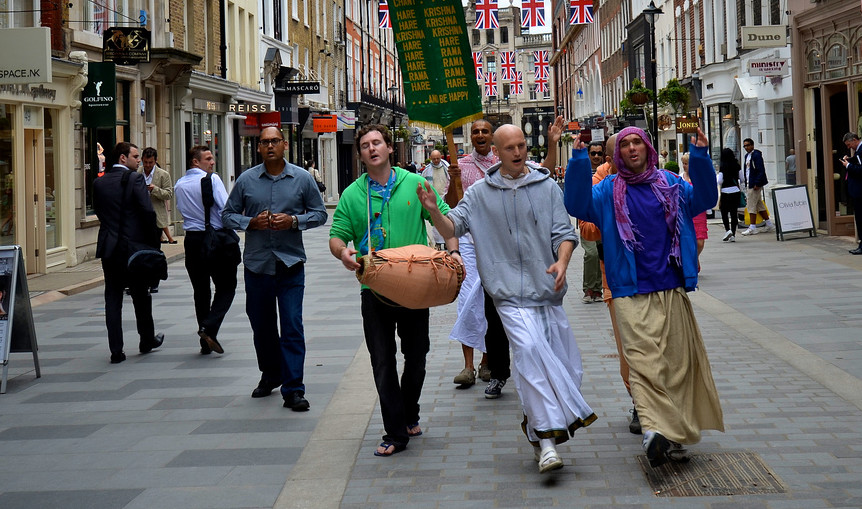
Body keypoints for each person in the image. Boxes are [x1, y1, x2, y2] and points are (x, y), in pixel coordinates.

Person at [419, 123, 597, 474]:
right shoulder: (479, 193)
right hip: (506, 294)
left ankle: (536, 427)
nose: (517, 152)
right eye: (510, 148)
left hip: (546, 290)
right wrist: (434, 211)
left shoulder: (546, 186)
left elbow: (565, 233)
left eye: (521, 146)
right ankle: (547, 443)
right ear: (496, 153)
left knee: (566, 368)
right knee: (528, 352)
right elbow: (453, 227)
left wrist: (562, 263)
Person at [564, 126, 724, 468]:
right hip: (629, 290)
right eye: (625, 145)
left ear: (648, 148)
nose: (632, 148)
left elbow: (706, 199)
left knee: (676, 364)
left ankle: (674, 433)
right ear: (617, 154)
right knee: (642, 362)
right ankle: (654, 428)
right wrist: (578, 160)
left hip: (670, 285)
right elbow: (577, 204)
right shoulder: (607, 190)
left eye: (637, 142)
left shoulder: (671, 184)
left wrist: (699, 156)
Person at [329, 124, 455, 457]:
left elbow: (447, 227)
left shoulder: (415, 183)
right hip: (373, 287)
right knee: (382, 361)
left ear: (388, 147)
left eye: (377, 143)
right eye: (365, 145)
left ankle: (409, 411)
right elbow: (337, 234)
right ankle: (395, 432)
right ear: (360, 154)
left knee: (417, 356)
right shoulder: (352, 194)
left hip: (414, 285)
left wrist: (435, 214)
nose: (372, 148)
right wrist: (343, 252)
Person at [222, 126, 328, 411]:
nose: (270, 146)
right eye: (265, 142)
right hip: (257, 266)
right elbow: (227, 215)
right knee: (262, 326)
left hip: (290, 264)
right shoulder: (246, 180)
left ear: (284, 145)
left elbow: (320, 214)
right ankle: (271, 373)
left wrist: (294, 221)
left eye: (275, 141)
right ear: (258, 147)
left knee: (292, 325)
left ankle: (294, 389)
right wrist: (250, 223)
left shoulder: (302, 178)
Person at [444, 119, 508, 395]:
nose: (480, 135)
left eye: (485, 131)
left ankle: (486, 361)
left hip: (495, 241)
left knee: (490, 301)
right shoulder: (460, 165)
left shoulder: (502, 163)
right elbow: (450, 205)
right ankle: (468, 366)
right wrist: (454, 179)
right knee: (467, 298)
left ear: (491, 135)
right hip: (468, 241)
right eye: (475, 131)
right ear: (470, 137)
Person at [93, 142, 164, 364]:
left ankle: (116, 350)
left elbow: (99, 212)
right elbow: (147, 211)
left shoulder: (99, 182)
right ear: (122, 158)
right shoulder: (136, 179)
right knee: (141, 294)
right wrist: (152, 243)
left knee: (113, 297)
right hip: (133, 247)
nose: (139, 160)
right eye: (135, 156)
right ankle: (146, 339)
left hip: (109, 247)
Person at [175, 146, 240, 355]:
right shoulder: (212, 180)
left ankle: (205, 341)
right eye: (208, 158)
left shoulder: (180, 184)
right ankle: (209, 328)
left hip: (192, 240)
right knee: (227, 287)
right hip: (215, 239)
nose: (212, 162)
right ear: (196, 161)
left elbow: (181, 209)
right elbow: (226, 209)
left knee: (201, 291)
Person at [580, 141, 606, 303]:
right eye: (593, 153)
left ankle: (597, 290)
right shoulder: (582, 170)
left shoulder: (606, 171)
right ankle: (589, 288)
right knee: (592, 253)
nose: (596, 156)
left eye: (599, 153)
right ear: (588, 154)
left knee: (601, 253)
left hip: (602, 217)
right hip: (587, 217)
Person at [140, 147, 176, 245]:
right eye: (145, 162)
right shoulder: (137, 172)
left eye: (150, 162)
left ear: (156, 160)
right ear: (142, 159)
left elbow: (168, 194)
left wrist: (154, 189)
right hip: (139, 217)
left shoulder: (163, 175)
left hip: (156, 218)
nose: (147, 165)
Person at [740, 138, 775, 235]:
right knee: (759, 205)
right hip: (749, 183)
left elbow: (760, 170)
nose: (746, 147)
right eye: (744, 146)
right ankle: (769, 224)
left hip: (754, 184)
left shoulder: (756, 155)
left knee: (751, 205)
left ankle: (752, 227)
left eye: (748, 145)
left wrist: (757, 183)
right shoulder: (747, 156)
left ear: (752, 145)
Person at [680, 153, 708, 269]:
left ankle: (695, 257)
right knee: (688, 239)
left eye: (687, 164)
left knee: (700, 242)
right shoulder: (680, 178)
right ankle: (692, 261)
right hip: (685, 212)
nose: (684, 166)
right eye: (683, 163)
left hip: (699, 212)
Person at [421, 150, 450, 250]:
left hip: (446, 197)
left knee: (447, 219)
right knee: (436, 220)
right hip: (434, 199)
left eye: (438, 158)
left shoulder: (447, 168)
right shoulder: (426, 171)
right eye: (434, 159)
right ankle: (438, 242)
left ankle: (447, 241)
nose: (436, 161)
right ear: (431, 159)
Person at [841, 132, 862, 255]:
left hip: (860, 192)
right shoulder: (858, 151)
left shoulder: (861, 150)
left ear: (854, 140)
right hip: (857, 191)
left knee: (860, 218)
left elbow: (860, 170)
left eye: (849, 145)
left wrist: (848, 165)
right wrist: (850, 160)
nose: (849, 147)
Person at [717, 147, 743, 242]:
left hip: (725, 192)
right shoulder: (737, 165)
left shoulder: (722, 166)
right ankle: (733, 234)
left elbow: (719, 181)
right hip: (735, 191)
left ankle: (728, 230)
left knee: (724, 212)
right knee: (733, 213)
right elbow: (742, 179)